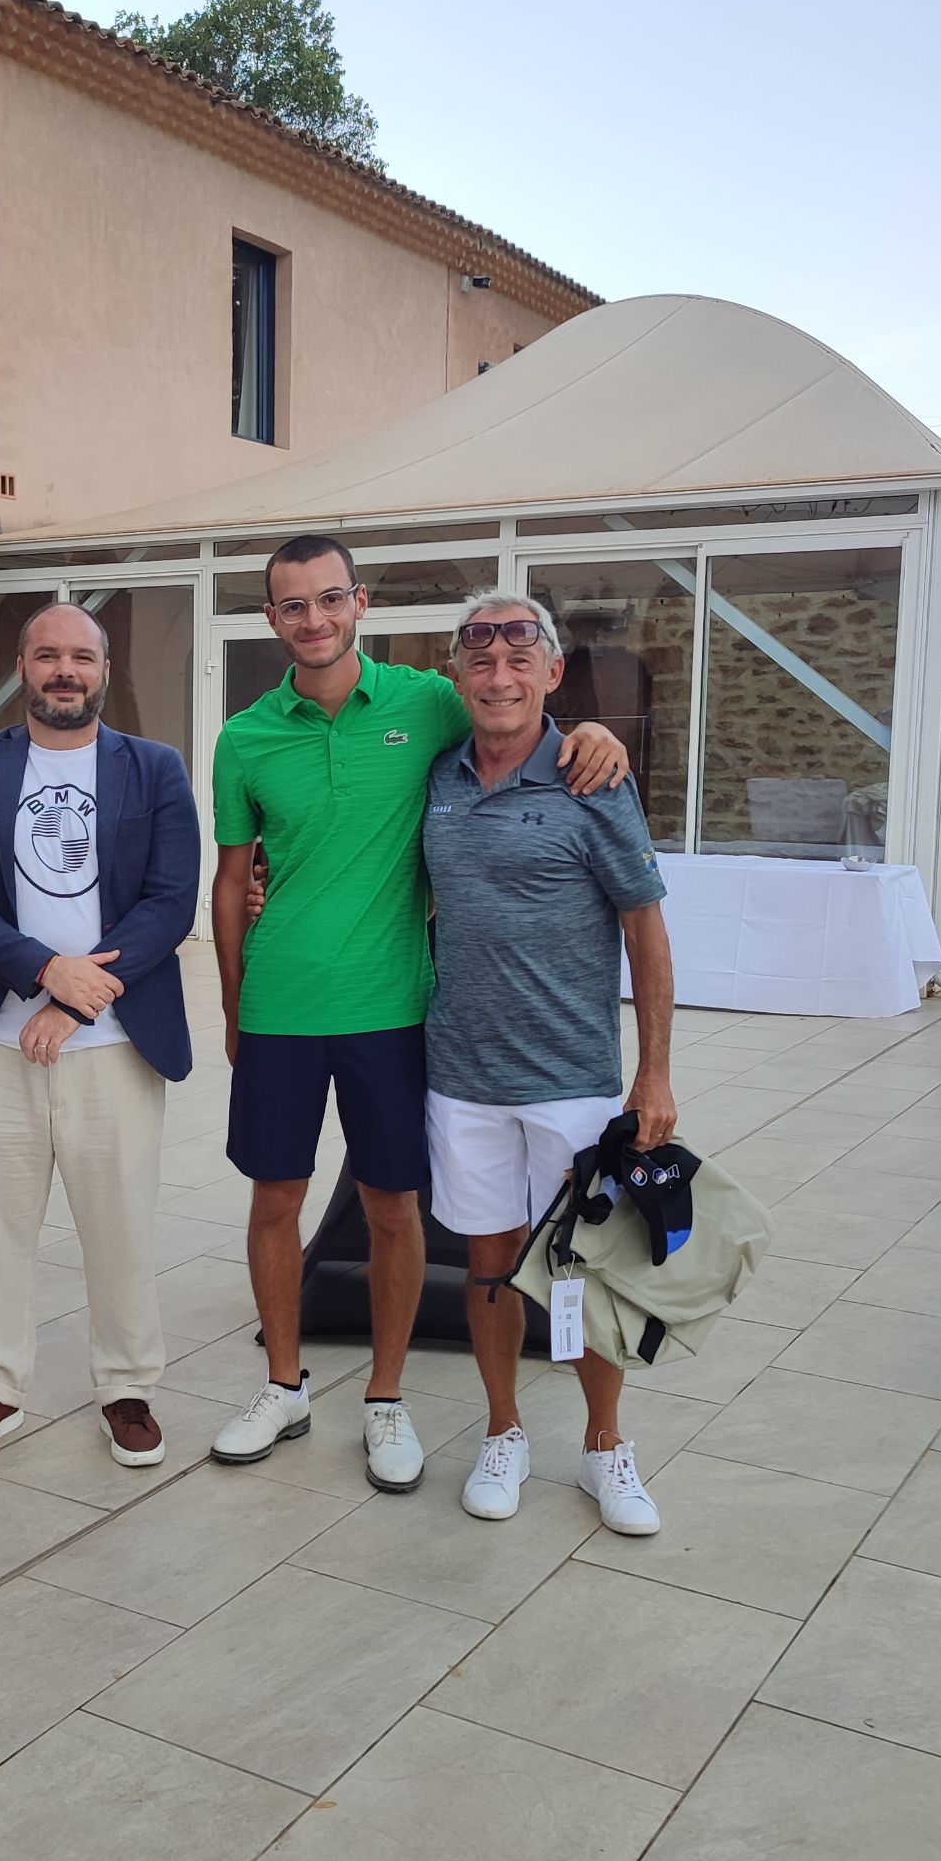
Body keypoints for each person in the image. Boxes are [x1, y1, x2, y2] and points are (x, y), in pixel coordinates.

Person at [208, 536, 628, 1490]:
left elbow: (515, 706)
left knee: (391, 1208)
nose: (313, 619)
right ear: (270, 619)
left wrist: (596, 734)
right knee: (274, 1203)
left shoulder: (427, 702)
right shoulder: (245, 737)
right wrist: (234, 1004)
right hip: (279, 1008)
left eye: (329, 599)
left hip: (395, 1007)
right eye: (292, 605)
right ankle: (283, 1386)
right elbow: (232, 881)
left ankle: (386, 1399)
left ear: (359, 603)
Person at [422, 590, 674, 1534]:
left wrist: (654, 1074)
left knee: (585, 1271)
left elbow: (646, 931)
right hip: (462, 1077)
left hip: (572, 1080)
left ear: (553, 673)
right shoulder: (437, 777)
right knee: (489, 1265)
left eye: (519, 660)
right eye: (480, 661)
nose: (499, 678)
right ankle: (504, 1431)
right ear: (458, 675)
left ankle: (605, 1448)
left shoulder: (592, 779)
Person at [0, 604, 199, 1466]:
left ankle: (127, 1387)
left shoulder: (154, 768)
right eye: (47, 655)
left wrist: (77, 1003)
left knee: (120, 1227)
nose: (65, 671)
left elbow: (170, 903)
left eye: (82, 656)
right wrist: (46, 971)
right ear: (22, 667)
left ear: (105, 671)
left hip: (115, 1046)